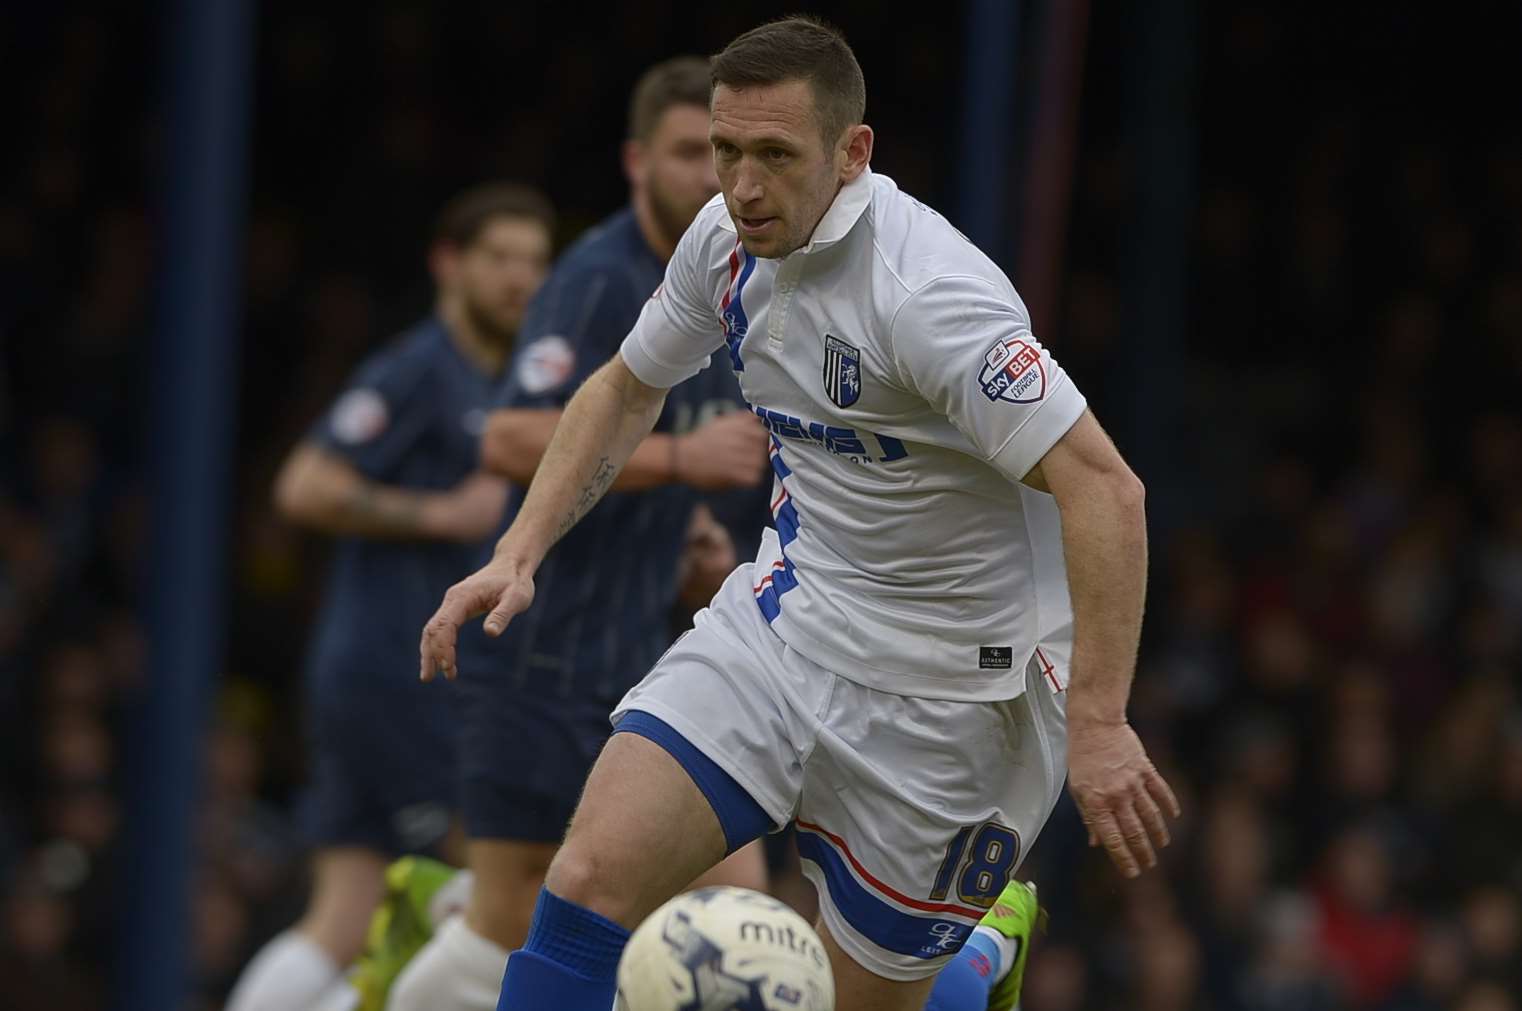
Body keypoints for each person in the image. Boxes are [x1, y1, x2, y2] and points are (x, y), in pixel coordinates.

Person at [421, 16, 1181, 1011]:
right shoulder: (724, 240)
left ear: (852, 152)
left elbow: (1105, 488)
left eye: (773, 156)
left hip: (956, 703)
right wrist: (521, 550)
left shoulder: (930, 297)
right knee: (584, 888)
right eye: (726, 151)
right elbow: (622, 387)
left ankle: (976, 957)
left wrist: (1099, 722)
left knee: (850, 998)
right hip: (787, 629)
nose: (739, 186)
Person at [388, 57, 772, 1011]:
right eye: (691, 152)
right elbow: (513, 433)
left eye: (720, 155)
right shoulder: (597, 282)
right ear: (637, 161)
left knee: (736, 908)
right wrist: (684, 467)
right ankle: (382, 989)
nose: (709, 177)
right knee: (517, 920)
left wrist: (691, 545)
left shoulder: (726, 274)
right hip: (542, 653)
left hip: (647, 645)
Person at [225, 183, 554, 1011]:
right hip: (403, 672)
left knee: (344, 913)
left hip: (379, 673)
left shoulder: (510, 380)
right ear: (449, 264)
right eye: (501, 259)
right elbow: (302, 485)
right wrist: (439, 512)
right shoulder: (416, 370)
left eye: (535, 262)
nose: (521, 279)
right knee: (480, 893)